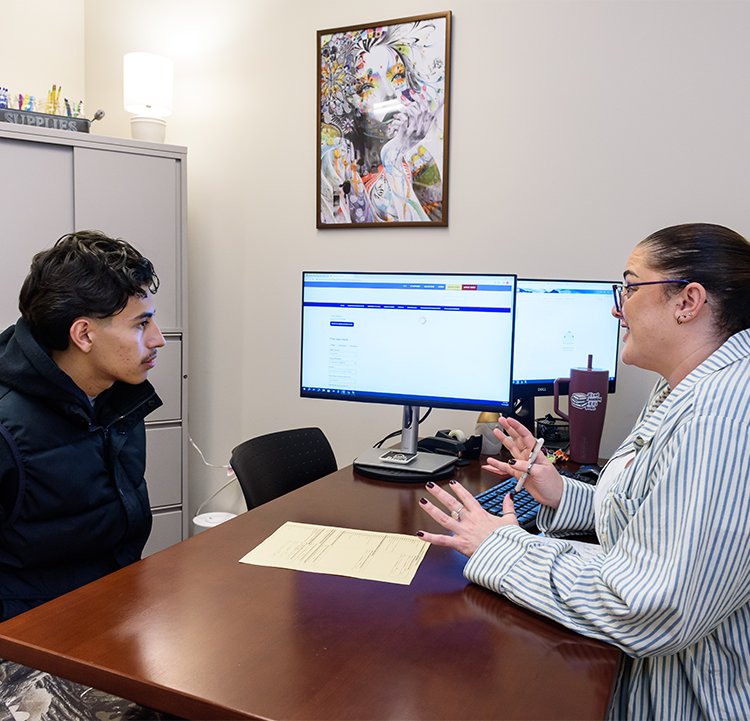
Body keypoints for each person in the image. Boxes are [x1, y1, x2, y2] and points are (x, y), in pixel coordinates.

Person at [417, 223, 750, 720]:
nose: (618, 307)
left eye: (631, 287)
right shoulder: (686, 388)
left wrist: (500, 547)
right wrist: (560, 493)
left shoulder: (720, 414)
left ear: (688, 301)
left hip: (690, 699)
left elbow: (648, 608)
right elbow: (653, 513)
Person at [0, 230, 165, 621]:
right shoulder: (7, 429)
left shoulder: (118, 398)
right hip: (31, 640)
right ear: (84, 335)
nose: (157, 339)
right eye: (141, 324)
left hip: (112, 611)